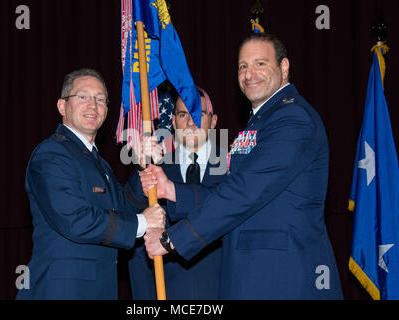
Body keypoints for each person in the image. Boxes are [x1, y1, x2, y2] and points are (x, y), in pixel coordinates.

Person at [140, 34, 344, 299]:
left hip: (283, 277)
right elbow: (235, 190)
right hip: (254, 275)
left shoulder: (292, 119)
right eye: (243, 66)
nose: (250, 74)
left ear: (284, 67)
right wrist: (173, 191)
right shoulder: (262, 120)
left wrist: (172, 239)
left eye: (260, 63)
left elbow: (244, 192)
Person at [16, 68, 165, 300]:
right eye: (83, 97)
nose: (93, 105)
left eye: (100, 99)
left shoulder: (98, 163)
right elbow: (75, 219)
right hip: (62, 292)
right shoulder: (51, 154)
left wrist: (142, 169)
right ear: (62, 106)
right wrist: (143, 222)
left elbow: (122, 208)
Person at [125, 87, 226, 299]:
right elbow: (128, 214)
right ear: (173, 122)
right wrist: (142, 167)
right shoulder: (156, 166)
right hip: (166, 292)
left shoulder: (234, 167)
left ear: (214, 121)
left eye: (199, 114)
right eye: (183, 114)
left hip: (221, 290)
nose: (191, 122)